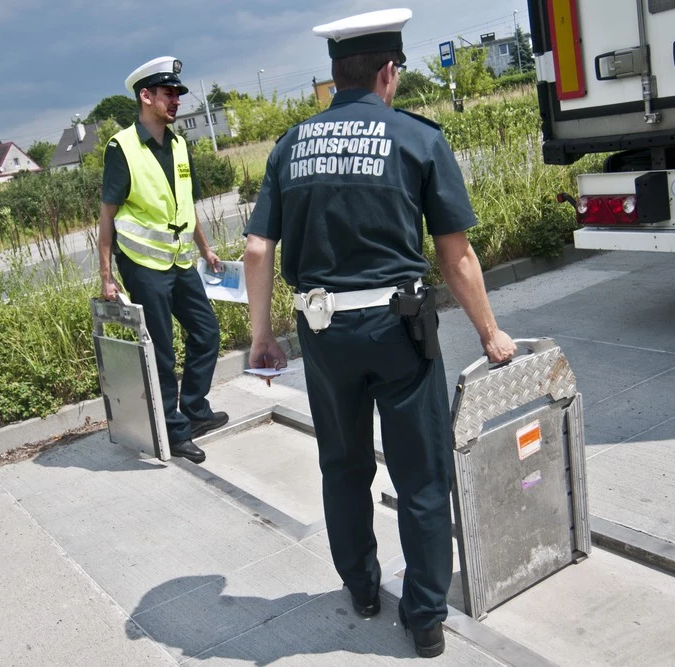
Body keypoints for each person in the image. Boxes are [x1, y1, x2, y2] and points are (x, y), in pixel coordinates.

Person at [243, 9, 516, 659]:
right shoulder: (418, 139)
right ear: (389, 72)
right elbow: (457, 257)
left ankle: (362, 588)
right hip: (400, 331)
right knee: (421, 475)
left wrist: (261, 337)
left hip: (323, 333)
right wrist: (490, 332)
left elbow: (257, 251)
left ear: (336, 76)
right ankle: (423, 617)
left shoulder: (290, 146)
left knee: (343, 465)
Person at [98, 56, 228, 464]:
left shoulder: (178, 143)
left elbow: (185, 204)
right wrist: (106, 275)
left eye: (177, 94)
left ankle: (193, 409)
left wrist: (205, 247)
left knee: (206, 332)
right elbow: (106, 217)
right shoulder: (122, 148)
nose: (176, 101)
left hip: (180, 260)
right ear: (146, 96)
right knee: (163, 350)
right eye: (168, 94)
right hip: (143, 264)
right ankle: (173, 432)